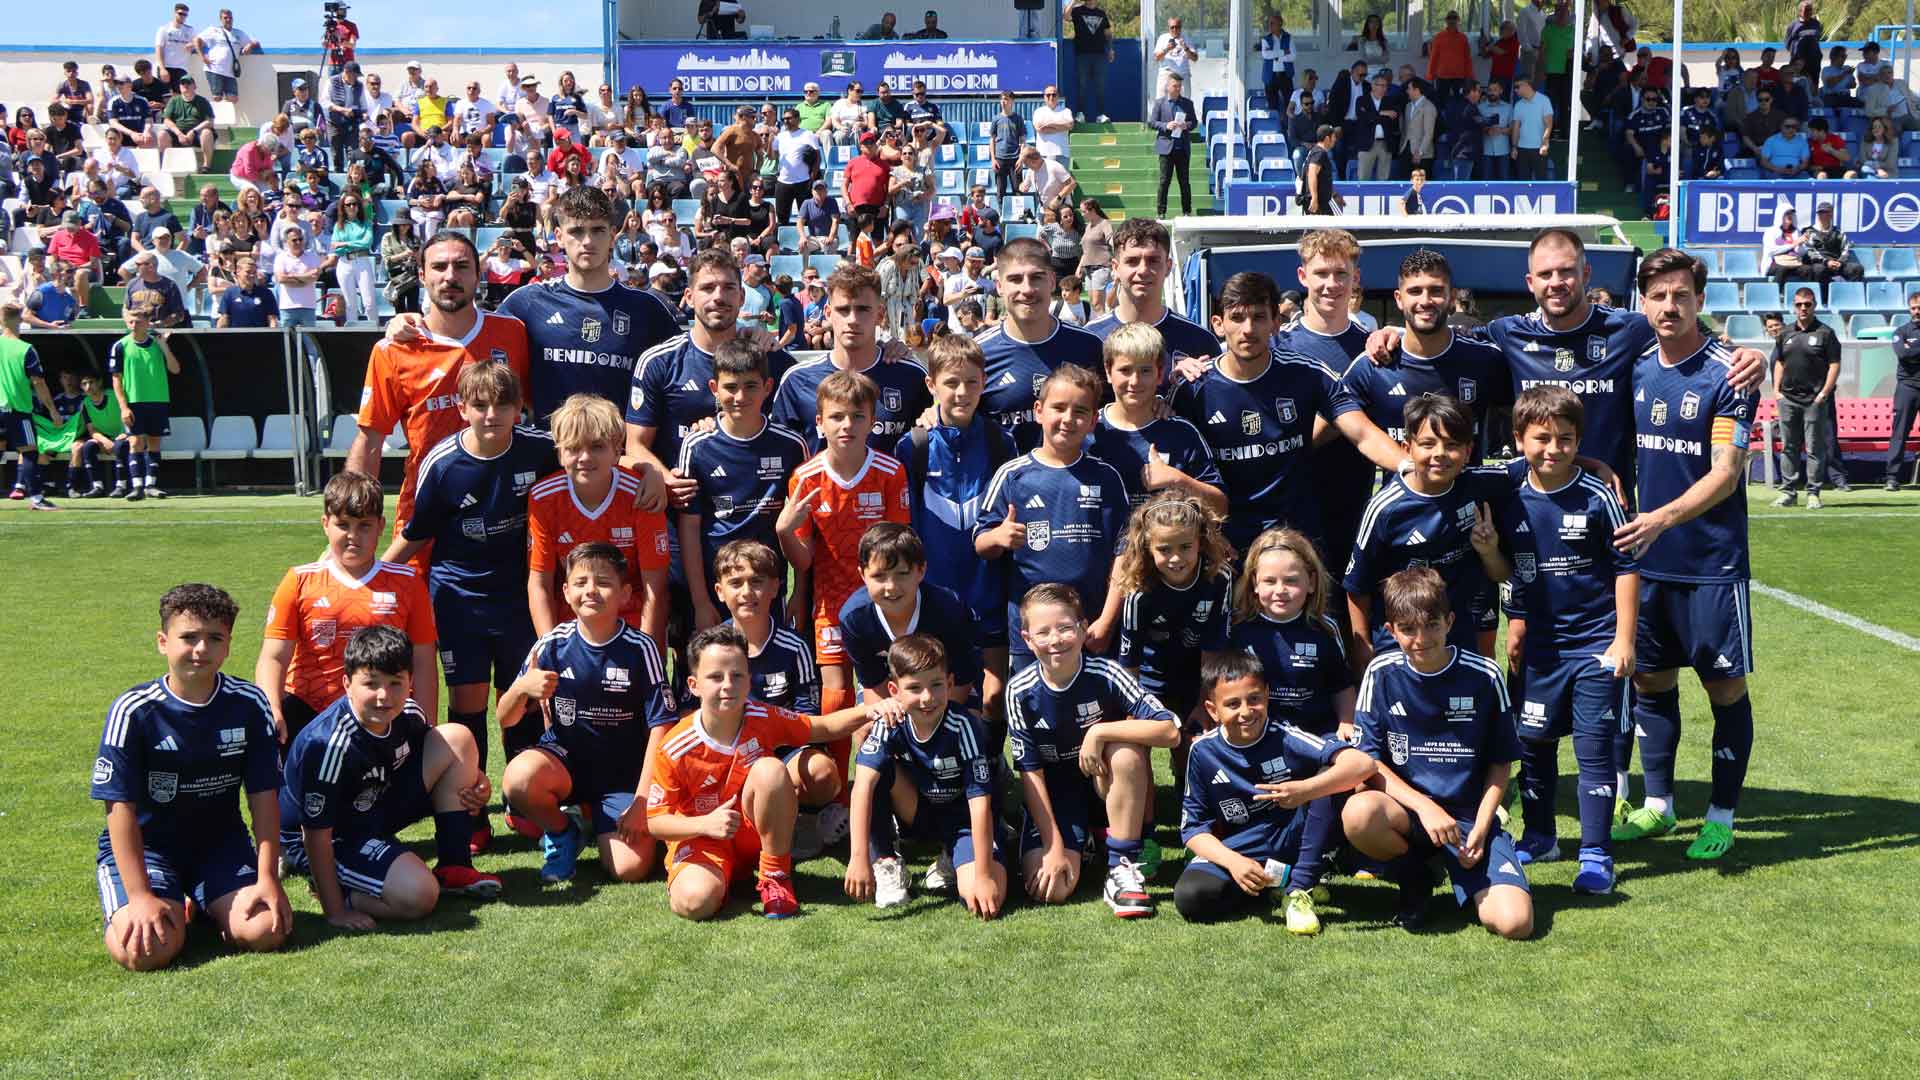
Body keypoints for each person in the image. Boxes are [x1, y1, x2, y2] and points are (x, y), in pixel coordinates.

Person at [1611, 249, 1758, 863]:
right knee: (1650, 682)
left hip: (1711, 565)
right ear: (1642, 303)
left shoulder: (1731, 372)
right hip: (1648, 563)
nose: (1669, 306)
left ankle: (1721, 816)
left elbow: (1726, 473)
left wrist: (1661, 517)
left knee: (1724, 689)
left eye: (1681, 295)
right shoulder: (1638, 367)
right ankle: (1660, 805)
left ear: (1700, 300)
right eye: (1658, 296)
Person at [378, 364, 557, 847]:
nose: (491, 414)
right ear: (462, 409)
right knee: (469, 705)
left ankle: (523, 806)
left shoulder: (541, 451)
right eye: (479, 405)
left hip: (520, 598)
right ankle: (470, 811)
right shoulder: (444, 463)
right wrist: (374, 580)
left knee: (523, 699)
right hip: (459, 599)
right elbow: (417, 535)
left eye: (503, 405)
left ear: (520, 408)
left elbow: (589, 457)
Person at [91, 583, 289, 970]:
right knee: (145, 950)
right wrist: (140, 895)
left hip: (221, 847)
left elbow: (264, 798)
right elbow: (119, 809)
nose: (201, 649)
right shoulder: (133, 711)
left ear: (228, 646)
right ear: (163, 642)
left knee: (266, 930)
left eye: (214, 638)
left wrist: (268, 878)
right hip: (150, 849)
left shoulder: (249, 705)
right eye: (189, 637)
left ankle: (200, 901)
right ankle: (166, 900)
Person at [650, 625, 899, 919]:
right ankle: (718, 876)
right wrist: (705, 824)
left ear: (748, 680)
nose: (727, 685)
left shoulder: (762, 716)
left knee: (770, 770)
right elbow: (655, 822)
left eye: (737, 676)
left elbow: (823, 727)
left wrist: (872, 710)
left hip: (753, 830)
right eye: (715, 677)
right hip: (703, 836)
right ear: (693, 685)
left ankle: (775, 877)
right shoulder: (675, 747)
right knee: (693, 902)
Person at [1493, 385, 1637, 892]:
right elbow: (1506, 568)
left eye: (1566, 439)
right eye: (1541, 439)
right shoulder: (1507, 487)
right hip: (1540, 648)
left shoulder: (1598, 494)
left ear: (1580, 441)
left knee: (1595, 748)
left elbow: (1626, 566)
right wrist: (1512, 611)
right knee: (1533, 743)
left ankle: (1596, 854)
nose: (1553, 449)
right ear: (1518, 439)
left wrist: (1623, 640)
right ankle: (1540, 836)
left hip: (1595, 644)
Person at [1341, 568, 1532, 936]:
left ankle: (1477, 862)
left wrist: (1480, 825)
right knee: (1359, 813)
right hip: (1410, 816)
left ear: (1450, 622)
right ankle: (1417, 878)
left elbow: (1500, 763)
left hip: (1467, 821)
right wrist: (1424, 807)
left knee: (1515, 924)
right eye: (1408, 629)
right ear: (1391, 631)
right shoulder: (1381, 673)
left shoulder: (1485, 676)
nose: (1421, 638)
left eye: (1431, 625)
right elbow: (1369, 762)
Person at [279, 625, 501, 929]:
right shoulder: (327, 745)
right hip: (329, 836)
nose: (384, 696)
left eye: (396, 683)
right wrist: (336, 912)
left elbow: (444, 759)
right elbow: (315, 835)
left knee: (456, 738)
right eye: (371, 684)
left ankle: (454, 865)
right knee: (419, 895)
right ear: (346, 684)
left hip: (371, 805)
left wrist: (478, 783)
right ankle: (341, 893)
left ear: (410, 681)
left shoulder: (408, 713)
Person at [774, 369, 912, 822]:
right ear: (819, 423)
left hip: (885, 604)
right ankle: (836, 799)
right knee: (835, 699)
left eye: (857, 415)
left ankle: (894, 786)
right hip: (830, 603)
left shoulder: (890, 472)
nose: (847, 425)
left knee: (890, 692)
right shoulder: (805, 477)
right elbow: (804, 560)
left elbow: (900, 545)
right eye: (837, 416)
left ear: (872, 421)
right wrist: (783, 530)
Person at [348, 232, 531, 569]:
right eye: (439, 267)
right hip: (424, 518)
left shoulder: (513, 333)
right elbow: (370, 439)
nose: (450, 276)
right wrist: (353, 521)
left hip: (506, 517)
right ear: (422, 276)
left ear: (478, 275)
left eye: (462, 267)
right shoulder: (394, 349)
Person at [497, 542, 674, 883]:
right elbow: (505, 719)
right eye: (580, 583)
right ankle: (564, 830)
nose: (590, 590)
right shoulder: (551, 645)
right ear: (565, 592)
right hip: (565, 764)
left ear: (625, 594)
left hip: (622, 775)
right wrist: (521, 689)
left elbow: (661, 727)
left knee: (630, 869)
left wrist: (641, 801)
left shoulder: (641, 649)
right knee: (518, 778)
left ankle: (589, 816)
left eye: (603, 582)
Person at [1003, 582, 1178, 914]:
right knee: (1051, 888)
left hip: (1103, 783)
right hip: (1057, 794)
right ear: (1027, 639)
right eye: (1043, 632)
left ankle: (1120, 867)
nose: (1056, 640)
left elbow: (1170, 730)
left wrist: (1100, 732)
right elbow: (1030, 774)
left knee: (1127, 752)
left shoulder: (1107, 673)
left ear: (1083, 630)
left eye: (1066, 628)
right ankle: (1080, 841)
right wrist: (1053, 846)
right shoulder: (1019, 690)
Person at [1173, 652, 1372, 924]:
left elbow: (1362, 764)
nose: (1246, 711)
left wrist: (1305, 790)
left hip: (1294, 836)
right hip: (1242, 845)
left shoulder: (1285, 735)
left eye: (1254, 699)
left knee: (1331, 776)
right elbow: (1193, 828)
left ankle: (1299, 887)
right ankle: (1271, 881)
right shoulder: (1202, 752)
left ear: (1267, 695)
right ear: (1212, 710)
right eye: (1232, 704)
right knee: (1191, 897)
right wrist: (1234, 862)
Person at [975, 363, 1132, 663]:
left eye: (1080, 411)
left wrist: (1108, 620)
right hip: (1033, 633)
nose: (1068, 419)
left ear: (1093, 420)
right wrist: (998, 536)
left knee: (1093, 708)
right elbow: (981, 543)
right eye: (1058, 408)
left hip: (1090, 627)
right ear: (1038, 411)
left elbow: (1124, 553)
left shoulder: (1106, 477)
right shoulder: (1012, 475)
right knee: (1034, 705)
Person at [844, 634, 1004, 914]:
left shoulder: (964, 726)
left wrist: (982, 876)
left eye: (936, 685)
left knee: (982, 902)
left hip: (962, 820)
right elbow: (862, 788)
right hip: (916, 813)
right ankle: (885, 860)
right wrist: (858, 858)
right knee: (875, 773)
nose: (927, 698)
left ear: (950, 684)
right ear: (894, 690)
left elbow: (980, 804)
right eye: (914, 688)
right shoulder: (890, 721)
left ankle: (954, 856)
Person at [676, 338, 810, 629]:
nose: (740, 397)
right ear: (714, 389)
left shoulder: (790, 445)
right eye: (730, 387)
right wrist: (700, 601)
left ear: (767, 387)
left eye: (750, 386)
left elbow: (804, 526)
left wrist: (798, 592)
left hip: (768, 582)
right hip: (718, 583)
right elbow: (689, 526)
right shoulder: (698, 445)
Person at [527, 393, 671, 646]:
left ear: (617, 450)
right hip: (571, 622)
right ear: (559, 454)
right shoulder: (543, 497)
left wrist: (646, 650)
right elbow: (539, 584)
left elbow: (654, 588)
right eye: (573, 448)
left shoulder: (641, 492)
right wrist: (549, 648)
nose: (584, 457)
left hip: (632, 619)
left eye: (596, 446)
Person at [973, 237, 1106, 430]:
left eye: (1036, 278)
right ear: (999, 287)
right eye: (1015, 279)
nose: (1026, 289)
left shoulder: (1088, 346)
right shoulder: (978, 354)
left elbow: (1114, 413)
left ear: (1052, 281)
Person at [1093, 322, 1223, 510]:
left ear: (1160, 372)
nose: (1135, 381)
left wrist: (1177, 479)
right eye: (1125, 370)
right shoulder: (1090, 431)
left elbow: (1221, 506)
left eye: (1145, 371)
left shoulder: (1181, 432)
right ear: (1108, 371)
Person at [1769, 287, 1840, 510]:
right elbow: (1779, 361)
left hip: (1814, 400)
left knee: (1814, 447)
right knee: (1788, 446)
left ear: (1814, 305)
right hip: (1788, 398)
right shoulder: (1785, 333)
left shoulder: (1826, 333)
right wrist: (1776, 390)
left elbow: (1834, 364)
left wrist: (1823, 393)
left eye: (1807, 304)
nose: (1803, 308)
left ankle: (1813, 492)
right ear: (1794, 306)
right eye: (1799, 304)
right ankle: (1789, 491)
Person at [106, 304, 180, 501]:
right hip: (135, 401)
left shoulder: (157, 343)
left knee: (154, 442)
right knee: (135, 442)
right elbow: (116, 379)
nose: (133, 325)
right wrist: (123, 407)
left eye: (137, 321)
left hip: (158, 400)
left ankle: (151, 485)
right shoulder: (120, 346)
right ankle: (136, 486)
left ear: (147, 323)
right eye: (130, 321)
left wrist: (164, 346)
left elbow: (175, 369)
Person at [0, 302, 62, 510]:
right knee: (29, 451)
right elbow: (38, 382)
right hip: (17, 410)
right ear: (20, 319)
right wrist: (52, 410)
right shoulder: (25, 349)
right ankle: (36, 498)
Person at [1148, 74, 1197, 219]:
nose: (1178, 89)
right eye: (1175, 86)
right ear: (1168, 87)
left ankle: (1187, 211)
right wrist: (1165, 125)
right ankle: (1161, 212)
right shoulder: (1159, 103)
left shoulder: (1188, 103)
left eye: (1179, 86)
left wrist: (1185, 125)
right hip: (1166, 147)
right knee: (1164, 181)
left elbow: (1194, 122)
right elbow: (1151, 122)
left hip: (1182, 147)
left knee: (1184, 181)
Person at [1889, 292, 1920, 490]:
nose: (1917, 311)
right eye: (1914, 308)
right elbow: (1903, 353)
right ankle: (1892, 477)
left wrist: (1913, 348)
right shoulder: (1901, 331)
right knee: (1899, 433)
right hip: (1907, 387)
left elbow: (1910, 352)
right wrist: (1910, 349)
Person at [1067, 0, 1115, 122]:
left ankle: (1101, 115)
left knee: (1100, 86)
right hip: (1082, 54)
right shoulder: (1078, 11)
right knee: (1082, 85)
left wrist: (1110, 49)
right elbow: (1066, 16)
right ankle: (1080, 114)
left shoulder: (1101, 13)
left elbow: (1108, 33)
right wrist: (1073, 2)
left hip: (1099, 54)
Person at [159, 77, 217, 172]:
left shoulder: (202, 101)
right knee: (162, 134)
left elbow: (210, 121)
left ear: (194, 86)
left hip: (198, 134)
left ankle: (206, 166)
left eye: (188, 83)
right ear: (179, 87)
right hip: (179, 134)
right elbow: (167, 120)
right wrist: (179, 134)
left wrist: (194, 131)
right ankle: (165, 165)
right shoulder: (174, 101)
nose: (185, 86)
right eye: (183, 84)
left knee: (207, 133)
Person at [1801, 201, 1864, 284]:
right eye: (1820, 212)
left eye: (1825, 212)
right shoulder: (1809, 231)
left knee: (1857, 268)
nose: (1822, 215)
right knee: (1818, 269)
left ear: (1831, 214)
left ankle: (1849, 294)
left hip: (1837, 264)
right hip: (1821, 264)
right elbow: (1810, 251)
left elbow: (1845, 249)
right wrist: (1826, 262)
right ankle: (1823, 296)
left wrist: (1840, 262)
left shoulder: (1839, 232)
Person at [1509, 78, 1553, 179]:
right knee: (1523, 182)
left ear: (1526, 85)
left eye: (1517, 87)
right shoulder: (1518, 104)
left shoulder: (1544, 100)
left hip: (1539, 149)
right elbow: (1516, 128)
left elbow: (1549, 124)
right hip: (1521, 149)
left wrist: (1545, 143)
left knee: (1540, 182)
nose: (1515, 90)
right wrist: (1514, 147)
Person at [1259, 13, 1297, 115]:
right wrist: (1283, 52)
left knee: (1289, 102)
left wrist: (1277, 58)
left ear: (1280, 24)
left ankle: (1288, 127)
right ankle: (1274, 126)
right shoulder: (1266, 39)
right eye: (1269, 23)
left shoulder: (1289, 38)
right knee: (1272, 104)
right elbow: (1266, 55)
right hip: (1271, 76)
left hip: (1285, 75)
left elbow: (1293, 56)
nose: (1270, 26)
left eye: (1272, 23)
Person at [153, 3, 198, 87]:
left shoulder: (190, 30)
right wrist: (162, 69)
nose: (183, 16)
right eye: (180, 13)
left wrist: (192, 44)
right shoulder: (164, 29)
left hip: (181, 68)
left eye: (185, 15)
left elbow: (199, 42)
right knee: (166, 95)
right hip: (166, 67)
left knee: (181, 94)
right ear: (174, 13)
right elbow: (159, 49)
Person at [1154, 16, 1200, 96]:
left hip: (1182, 74)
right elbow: (1156, 58)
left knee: (1185, 103)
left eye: (1177, 27)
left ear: (1181, 27)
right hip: (1167, 73)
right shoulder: (1162, 38)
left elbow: (1195, 58)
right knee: (1161, 102)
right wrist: (1167, 49)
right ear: (1168, 28)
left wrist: (1186, 48)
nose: (1175, 30)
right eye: (1172, 27)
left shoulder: (1186, 38)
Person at [1302, 125, 1341, 215]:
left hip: (1317, 201)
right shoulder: (1320, 153)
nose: (1335, 140)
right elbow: (1312, 173)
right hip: (1319, 203)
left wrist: (1333, 193)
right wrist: (1314, 198)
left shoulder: (1315, 151)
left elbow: (1321, 179)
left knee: (1316, 229)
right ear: (1327, 139)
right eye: (1334, 137)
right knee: (1334, 227)